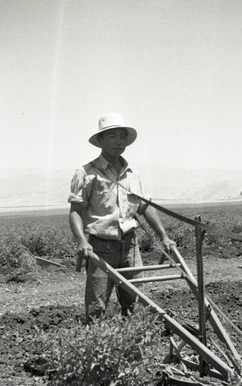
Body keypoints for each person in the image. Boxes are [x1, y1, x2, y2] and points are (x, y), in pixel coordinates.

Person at [69, 113, 175, 323]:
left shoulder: (132, 173)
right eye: (112, 136)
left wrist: (164, 236)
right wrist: (82, 241)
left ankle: (134, 352)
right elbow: (75, 211)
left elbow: (144, 206)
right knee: (96, 308)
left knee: (136, 304)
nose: (118, 141)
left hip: (130, 246)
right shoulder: (86, 173)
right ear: (100, 140)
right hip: (100, 248)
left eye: (122, 136)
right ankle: (94, 350)